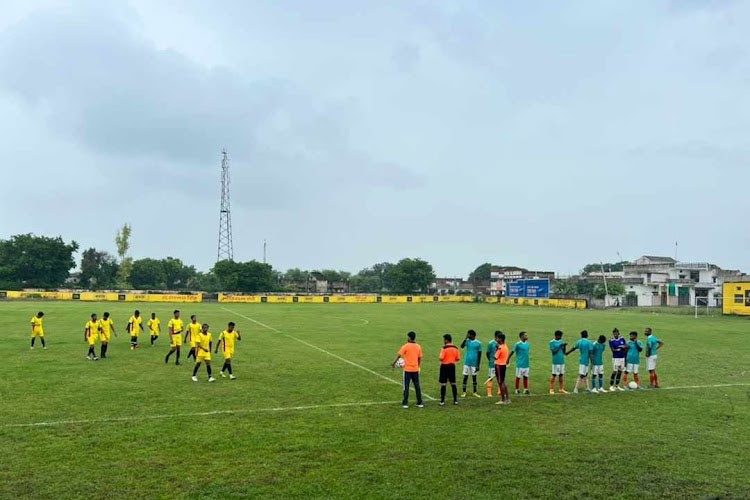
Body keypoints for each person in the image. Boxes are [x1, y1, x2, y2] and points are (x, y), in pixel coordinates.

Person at [391, 331, 424, 409]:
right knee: (417, 386)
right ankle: (420, 402)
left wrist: (394, 363)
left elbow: (399, 355)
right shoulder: (418, 346)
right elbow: (419, 358)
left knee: (406, 386)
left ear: (409, 337)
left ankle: (405, 403)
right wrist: (418, 366)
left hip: (407, 370)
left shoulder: (406, 346)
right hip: (415, 369)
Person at [438, 334, 460, 406]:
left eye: (444, 340)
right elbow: (457, 358)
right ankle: (455, 400)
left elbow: (441, 358)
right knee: (453, 383)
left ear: (446, 340)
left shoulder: (444, 348)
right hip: (452, 366)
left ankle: (442, 401)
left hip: (444, 366)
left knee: (443, 384)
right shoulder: (455, 348)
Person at [460, 329, 483, 398]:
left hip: (474, 363)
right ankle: (464, 392)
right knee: (465, 377)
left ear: (472, 335)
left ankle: (475, 392)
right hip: (467, 363)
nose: (467, 335)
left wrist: (478, 365)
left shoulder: (478, 343)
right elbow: (461, 346)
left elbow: (479, 354)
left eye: (468, 334)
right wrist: (465, 338)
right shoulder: (467, 341)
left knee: (474, 378)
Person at [549, 330, 568, 394]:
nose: (561, 337)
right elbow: (553, 352)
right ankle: (551, 389)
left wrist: (564, 346)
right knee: (554, 375)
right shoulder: (552, 342)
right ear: (557, 336)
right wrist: (560, 346)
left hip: (562, 361)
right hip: (556, 362)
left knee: (561, 375)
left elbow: (564, 352)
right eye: (560, 336)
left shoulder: (561, 341)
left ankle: (561, 389)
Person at [493, 332, 510, 405]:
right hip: (503, 366)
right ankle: (507, 398)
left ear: (500, 339)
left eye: (497, 338)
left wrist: (496, 348)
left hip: (499, 366)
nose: (496, 339)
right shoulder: (505, 346)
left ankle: (503, 399)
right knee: (503, 382)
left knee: (501, 383)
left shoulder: (500, 348)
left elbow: (495, 357)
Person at [485, 332, 499, 397]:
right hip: (492, 363)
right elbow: (487, 353)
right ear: (496, 337)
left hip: (500, 363)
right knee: (491, 377)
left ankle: (499, 391)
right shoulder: (491, 343)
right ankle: (489, 392)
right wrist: (490, 360)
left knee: (500, 377)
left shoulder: (501, 343)